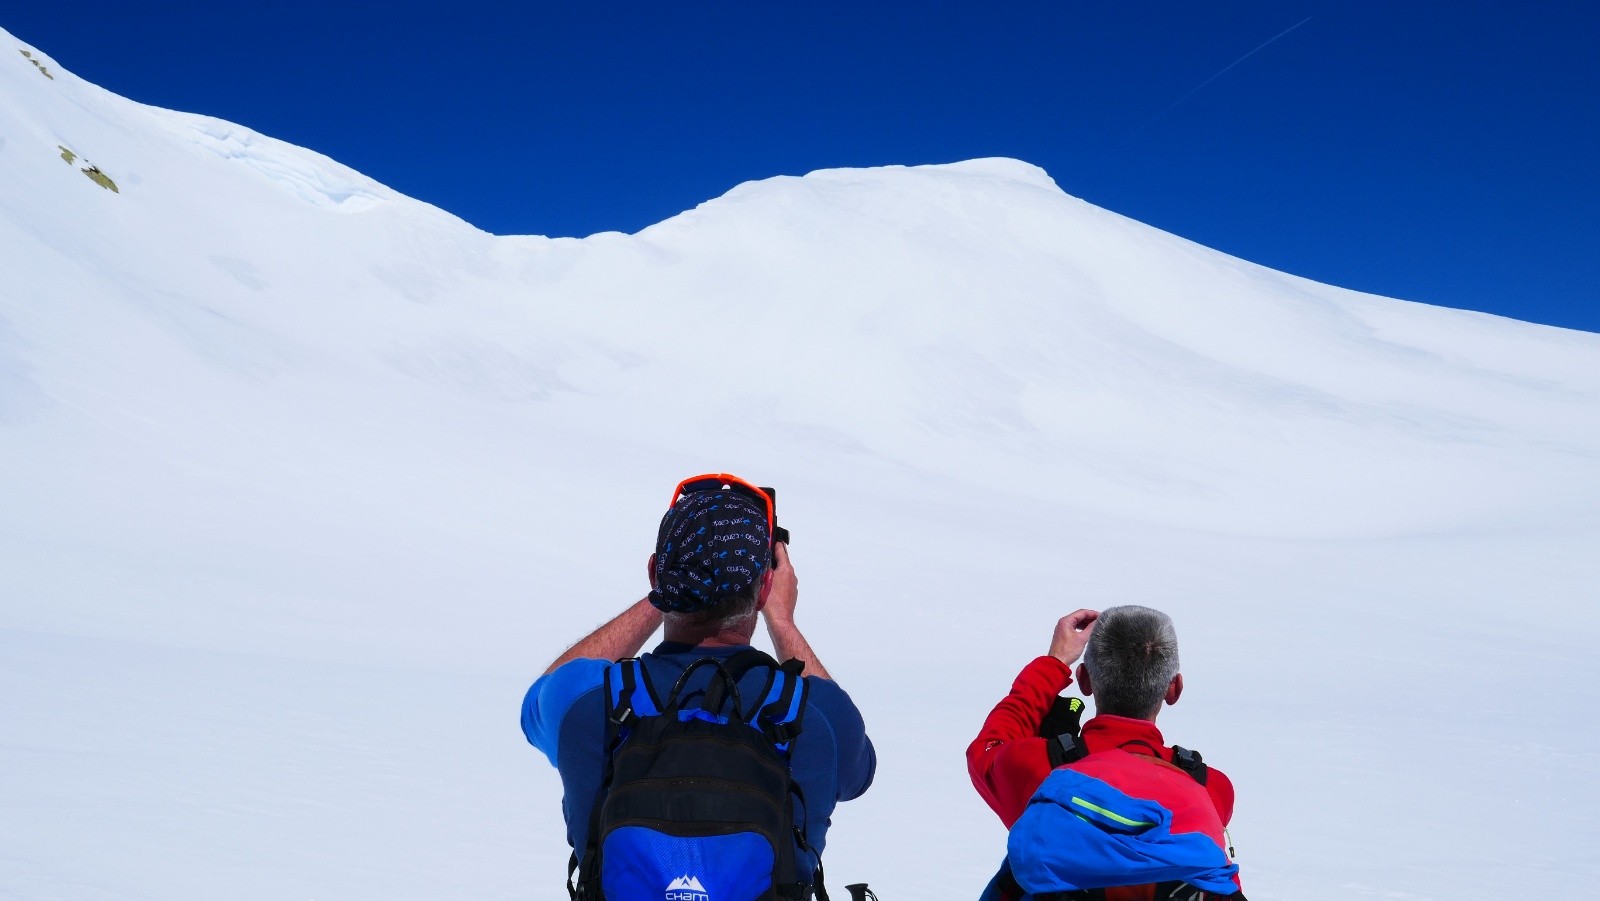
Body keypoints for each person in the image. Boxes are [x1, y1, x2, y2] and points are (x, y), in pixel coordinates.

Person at [521, 475, 875, 898]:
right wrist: (782, 621)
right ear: (765, 587)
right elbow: (860, 774)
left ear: (656, 574)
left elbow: (536, 703)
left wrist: (663, 596)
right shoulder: (819, 715)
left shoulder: (586, 701)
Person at [967, 606, 1242, 900]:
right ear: (1173, 689)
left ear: (1084, 680)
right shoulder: (1212, 788)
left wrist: (1054, 662)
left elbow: (988, 748)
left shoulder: (1039, 768)